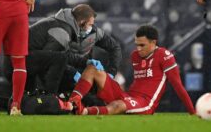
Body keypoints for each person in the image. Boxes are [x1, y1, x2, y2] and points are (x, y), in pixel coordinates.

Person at [66, 24, 195, 115]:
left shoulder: (165, 56)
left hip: (145, 103)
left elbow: (178, 86)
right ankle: (73, 103)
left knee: (118, 106)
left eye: (142, 45)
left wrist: (192, 111)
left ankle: (84, 112)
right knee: (92, 68)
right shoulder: (135, 56)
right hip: (128, 96)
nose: (138, 49)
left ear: (154, 42)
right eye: (136, 44)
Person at [12, 4, 122, 95]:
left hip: (46, 64)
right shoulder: (61, 32)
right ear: (81, 22)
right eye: (90, 24)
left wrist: (111, 73)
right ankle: (49, 97)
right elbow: (50, 62)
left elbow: (115, 47)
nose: (92, 27)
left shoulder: (93, 33)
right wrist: (74, 72)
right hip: (20, 63)